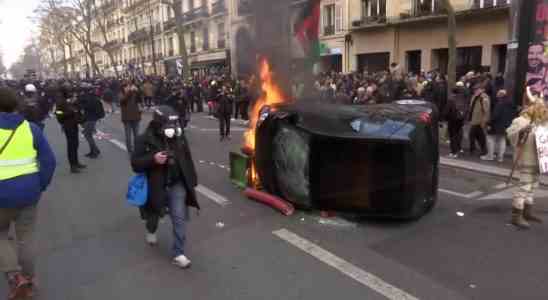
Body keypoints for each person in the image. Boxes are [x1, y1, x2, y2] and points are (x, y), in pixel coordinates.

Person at [0, 87, 56, 298]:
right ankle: (29, 279)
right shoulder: (31, 129)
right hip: (28, 193)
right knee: (26, 238)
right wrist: (40, 185)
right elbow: (49, 161)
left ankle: (15, 277)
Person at [131, 105, 200, 268]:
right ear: (158, 125)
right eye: (169, 125)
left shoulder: (179, 138)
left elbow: (187, 158)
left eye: (175, 125)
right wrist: (153, 159)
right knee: (154, 215)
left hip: (177, 183)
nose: (173, 129)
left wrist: (192, 180)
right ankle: (151, 229)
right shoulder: (143, 139)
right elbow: (135, 164)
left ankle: (179, 252)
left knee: (179, 217)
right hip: (156, 185)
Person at [506, 89, 547, 229]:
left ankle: (527, 211)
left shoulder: (543, 123)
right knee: (524, 186)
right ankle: (516, 215)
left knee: (533, 186)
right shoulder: (521, 120)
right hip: (525, 159)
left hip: (538, 161)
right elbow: (510, 134)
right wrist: (523, 131)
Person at [55, 85, 86, 173]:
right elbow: (58, 112)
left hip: (74, 124)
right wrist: (69, 112)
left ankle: (76, 162)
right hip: (68, 125)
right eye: (68, 91)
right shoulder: (60, 101)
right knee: (71, 146)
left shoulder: (68, 100)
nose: (70, 93)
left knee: (75, 144)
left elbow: (76, 108)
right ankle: (73, 166)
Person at [481, 90, 515, 163]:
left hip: (497, 125)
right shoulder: (511, 103)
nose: (496, 95)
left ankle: (490, 156)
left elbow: (496, 115)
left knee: (490, 138)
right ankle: (500, 158)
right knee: (502, 140)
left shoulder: (500, 103)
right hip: (506, 125)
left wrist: (489, 123)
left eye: (497, 94)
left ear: (500, 95)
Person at [78, 83, 104, 159]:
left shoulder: (88, 98)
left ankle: (95, 151)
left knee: (87, 135)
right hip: (92, 118)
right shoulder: (93, 97)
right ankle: (93, 150)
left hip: (90, 119)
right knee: (88, 135)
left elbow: (85, 106)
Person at [445, 82, 468, 158]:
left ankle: (453, 152)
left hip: (452, 119)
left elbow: (447, 111)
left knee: (452, 136)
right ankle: (459, 148)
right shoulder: (463, 98)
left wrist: (445, 117)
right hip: (460, 119)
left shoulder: (451, 99)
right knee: (458, 134)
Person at [467, 83, 490, 156]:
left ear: (482, 90)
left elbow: (486, 111)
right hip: (474, 119)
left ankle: (473, 150)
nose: (475, 91)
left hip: (479, 120)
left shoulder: (484, 98)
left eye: (477, 89)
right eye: (475, 90)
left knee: (472, 135)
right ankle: (483, 150)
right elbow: (471, 107)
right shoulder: (474, 97)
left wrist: (484, 121)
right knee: (479, 136)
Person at [120, 83, 142, 153]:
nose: (128, 88)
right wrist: (130, 91)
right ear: (123, 88)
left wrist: (137, 90)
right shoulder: (121, 95)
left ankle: (137, 147)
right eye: (126, 87)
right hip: (127, 118)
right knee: (128, 135)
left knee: (137, 134)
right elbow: (123, 100)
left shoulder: (134, 94)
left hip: (136, 117)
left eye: (128, 87)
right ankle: (129, 149)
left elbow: (140, 99)